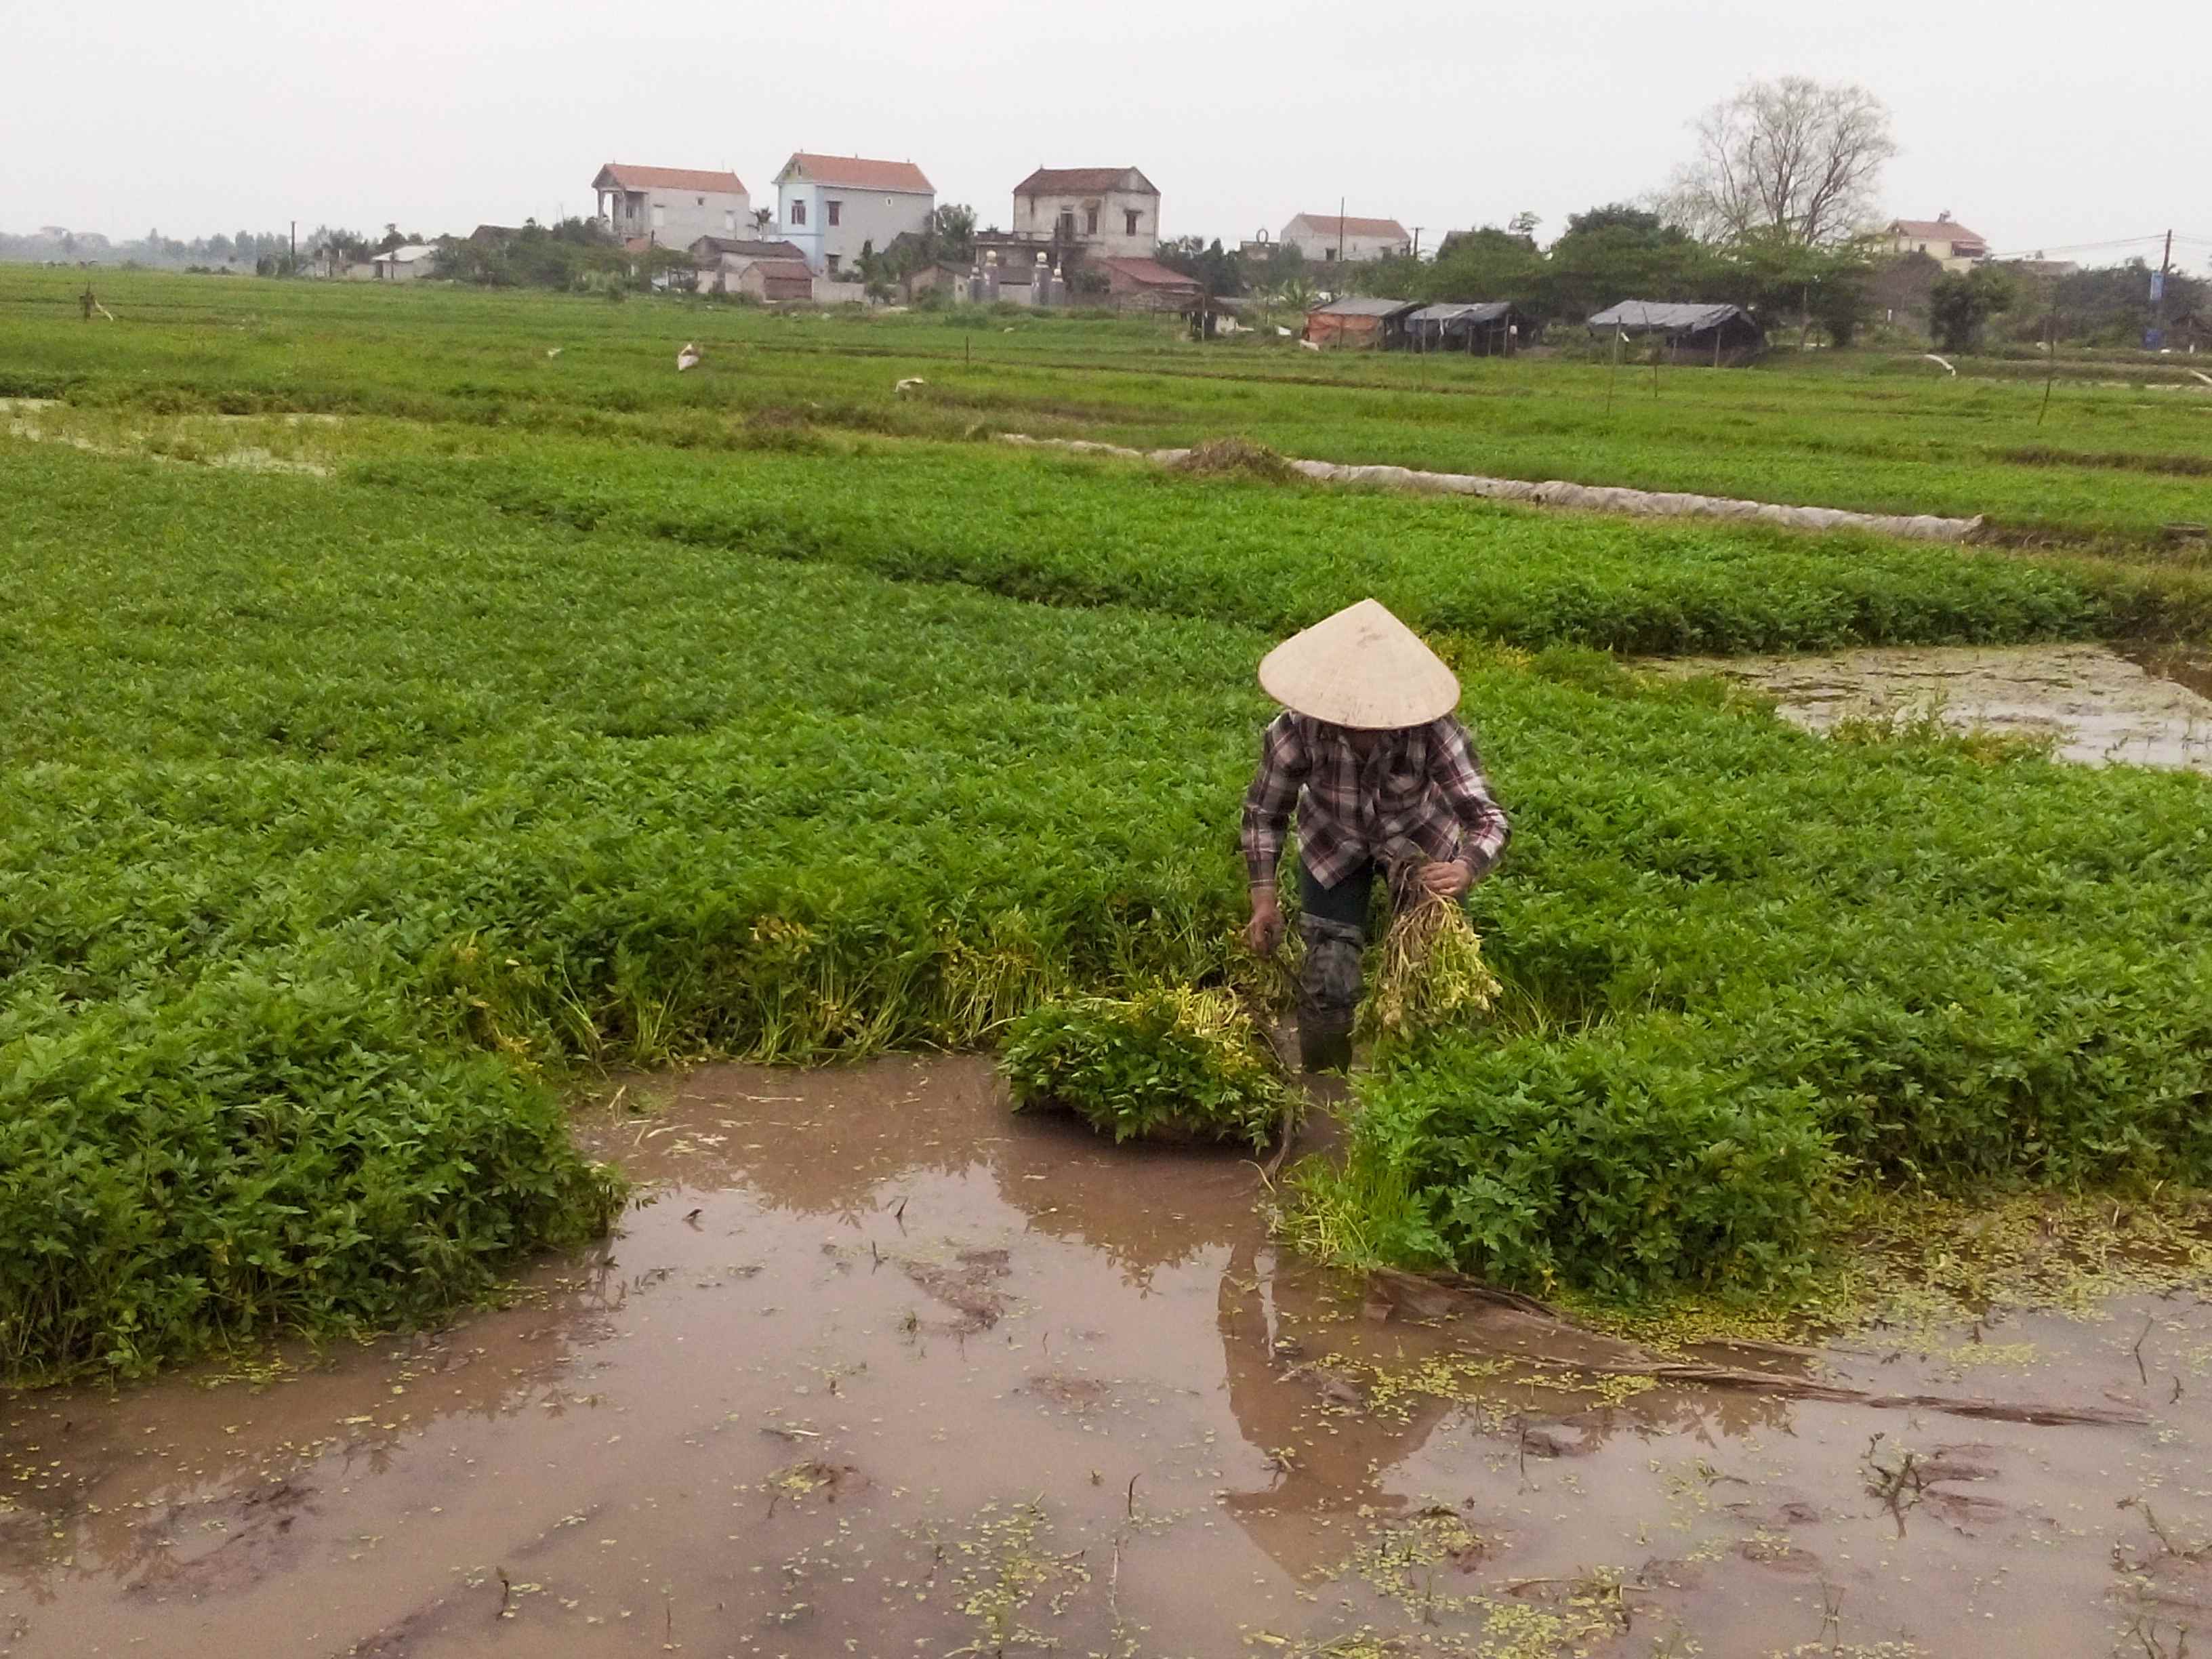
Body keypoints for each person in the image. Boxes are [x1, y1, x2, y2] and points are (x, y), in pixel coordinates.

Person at [1240, 598, 1510, 1071]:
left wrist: (1466, 867)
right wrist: (1263, 900)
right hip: (1334, 845)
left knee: (1432, 980)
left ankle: (1421, 1090)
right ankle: (1327, 1089)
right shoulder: (1295, 732)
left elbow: (1489, 819)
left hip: (1420, 846)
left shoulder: (1435, 734)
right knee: (1329, 979)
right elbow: (1264, 814)